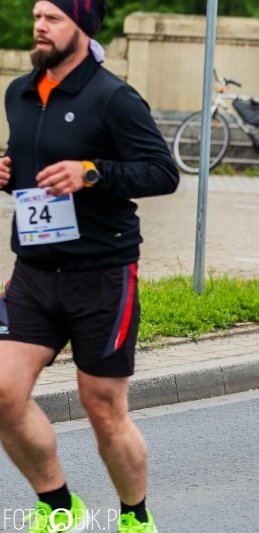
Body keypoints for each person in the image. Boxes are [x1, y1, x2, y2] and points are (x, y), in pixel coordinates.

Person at [0, 1, 179, 532]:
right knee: (4, 394)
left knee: (102, 408)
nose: (39, 26)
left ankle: (134, 518)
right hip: (33, 270)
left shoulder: (113, 97)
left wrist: (92, 173)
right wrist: (9, 173)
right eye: (36, 15)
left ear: (81, 27)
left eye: (52, 17)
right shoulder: (20, 93)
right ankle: (60, 508)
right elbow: (33, 170)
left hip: (102, 275)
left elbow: (162, 172)